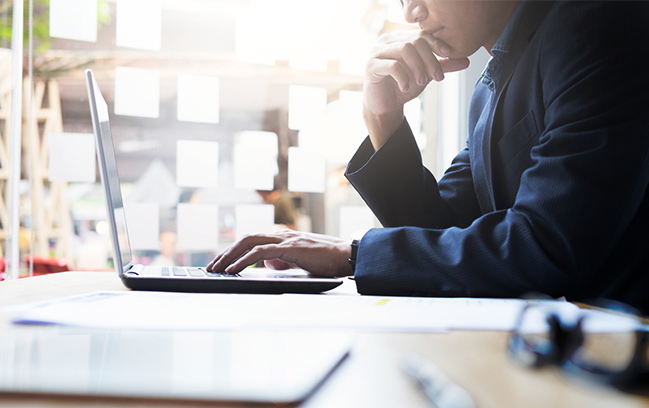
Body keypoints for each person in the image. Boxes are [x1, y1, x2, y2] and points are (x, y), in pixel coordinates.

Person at [208, 0, 649, 314]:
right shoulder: (491, 86)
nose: (409, 12)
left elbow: (546, 248)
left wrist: (353, 254)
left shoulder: (596, 23)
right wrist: (383, 116)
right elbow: (442, 231)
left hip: (620, 362)